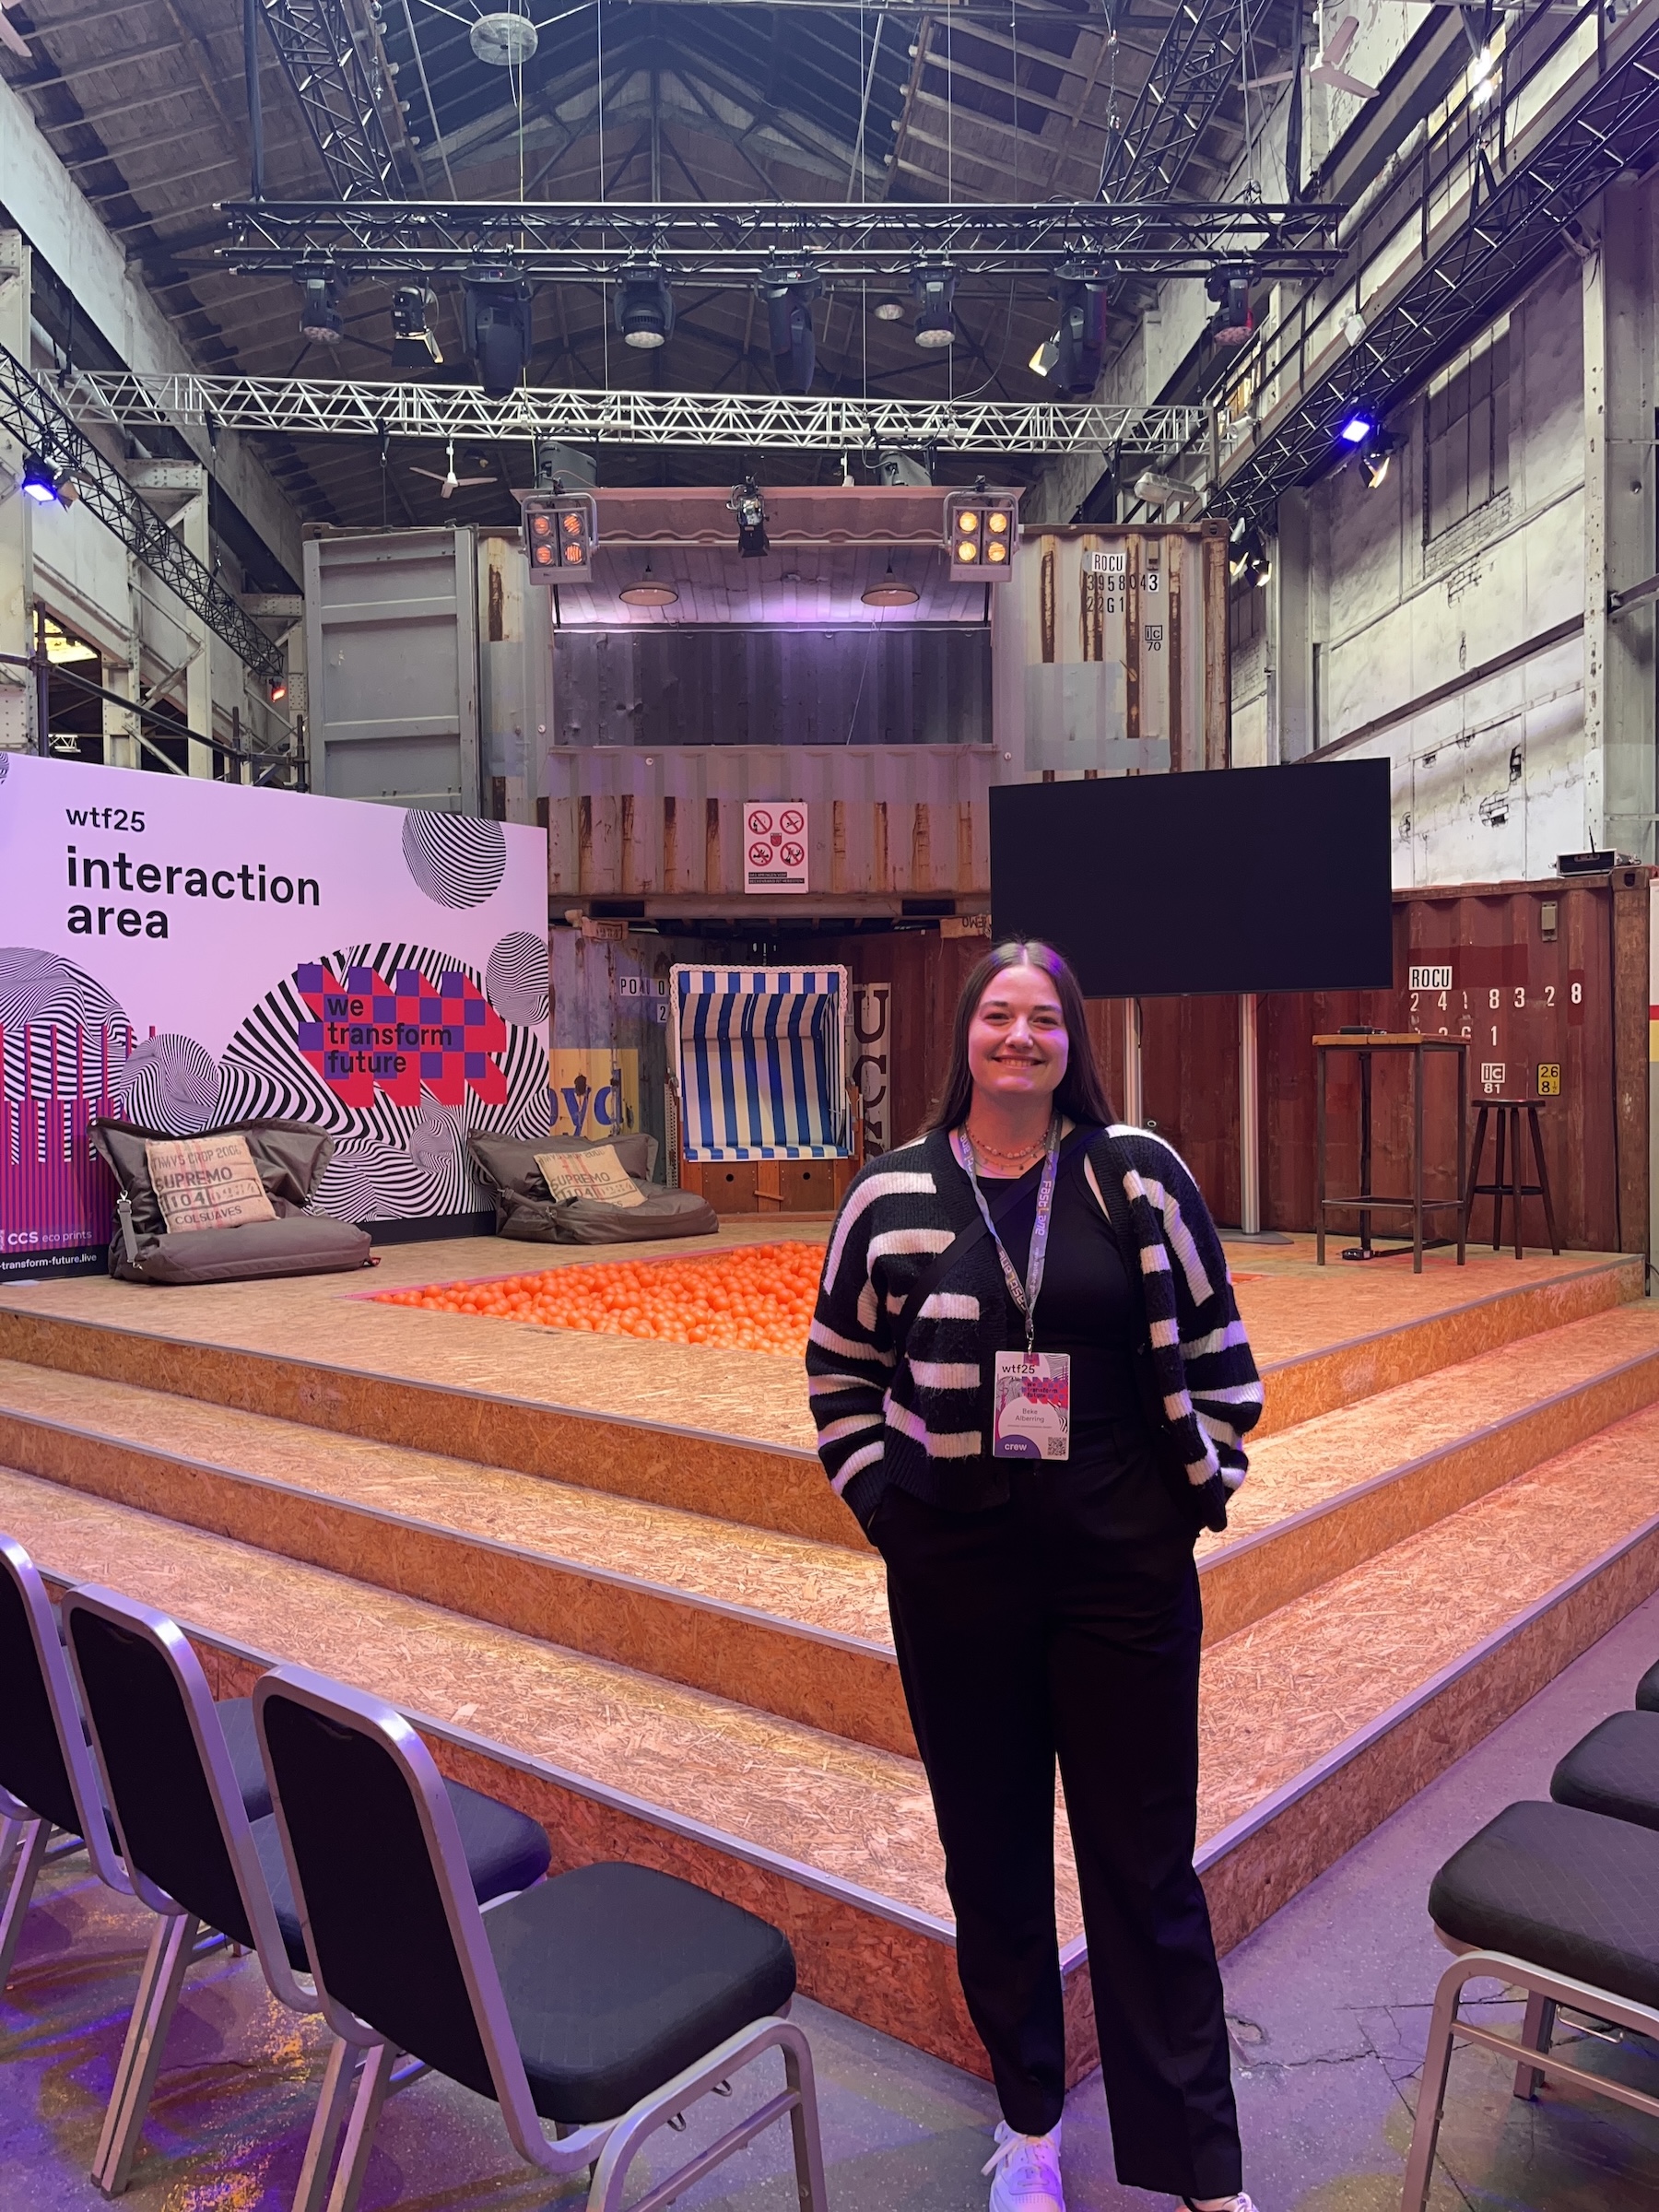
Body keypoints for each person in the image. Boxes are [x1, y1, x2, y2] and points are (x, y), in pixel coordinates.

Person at [807, 939, 1264, 2212]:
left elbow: (1224, 1349)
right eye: (998, 1016)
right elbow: (839, 1368)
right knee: (993, 1859)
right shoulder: (889, 1194)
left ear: (1074, 1041)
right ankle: (1027, 2130)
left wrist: (1196, 1487)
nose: (1019, 1037)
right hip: (955, 1567)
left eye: (1043, 1019)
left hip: (1124, 1563)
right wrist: (887, 1509)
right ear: (966, 1036)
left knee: (1145, 1863)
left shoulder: (1137, 1175)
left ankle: (1198, 2163)